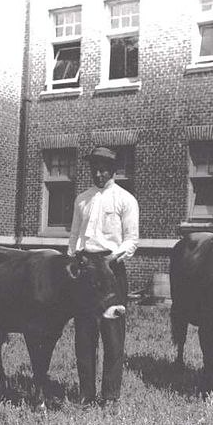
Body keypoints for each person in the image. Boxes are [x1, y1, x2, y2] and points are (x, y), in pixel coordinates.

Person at [68, 146, 139, 408]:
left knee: (112, 335)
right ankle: (86, 394)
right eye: (94, 169)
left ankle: (110, 396)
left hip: (111, 271)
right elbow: (74, 236)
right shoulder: (82, 200)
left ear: (113, 170)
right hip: (86, 270)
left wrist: (111, 260)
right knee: (85, 335)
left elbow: (132, 240)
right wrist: (75, 258)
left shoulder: (125, 200)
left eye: (104, 169)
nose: (98, 174)